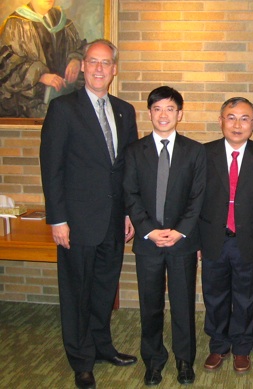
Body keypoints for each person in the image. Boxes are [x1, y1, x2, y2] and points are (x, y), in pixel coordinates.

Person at [40, 39, 138, 389]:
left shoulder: (125, 111)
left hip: (113, 222)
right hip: (76, 223)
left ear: (114, 69)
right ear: (83, 66)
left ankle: (102, 346)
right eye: (93, 62)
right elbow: (51, 168)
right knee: (77, 293)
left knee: (103, 289)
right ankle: (81, 359)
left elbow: (129, 169)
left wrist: (129, 213)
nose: (99, 68)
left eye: (106, 63)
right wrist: (57, 219)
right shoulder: (63, 109)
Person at [123, 86, 206, 386]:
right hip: (148, 243)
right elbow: (130, 194)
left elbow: (198, 198)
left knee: (183, 304)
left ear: (179, 114)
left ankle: (185, 361)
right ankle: (154, 360)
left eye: (170, 108)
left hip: (182, 242)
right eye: (157, 109)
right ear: (150, 113)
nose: (163, 114)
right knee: (151, 304)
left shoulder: (195, 151)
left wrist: (180, 231)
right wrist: (148, 230)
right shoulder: (134, 151)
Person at [199, 97, 253, 373]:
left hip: (249, 240)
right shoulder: (204, 153)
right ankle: (218, 345)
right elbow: (194, 199)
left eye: (245, 118)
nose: (237, 124)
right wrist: (196, 239)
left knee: (246, 296)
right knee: (215, 295)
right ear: (220, 120)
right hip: (214, 238)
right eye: (231, 117)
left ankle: (243, 346)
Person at [0, 0, 85, 117]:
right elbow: (6, 63)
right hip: (27, 107)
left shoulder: (63, 23)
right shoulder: (16, 24)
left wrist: (76, 60)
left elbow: (80, 48)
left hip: (63, 102)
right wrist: (39, 75)